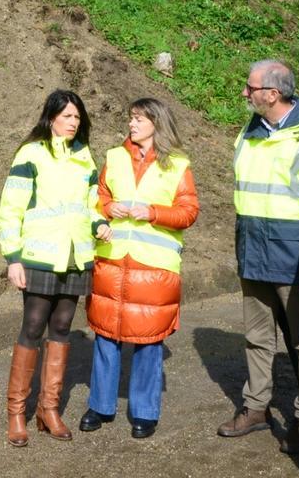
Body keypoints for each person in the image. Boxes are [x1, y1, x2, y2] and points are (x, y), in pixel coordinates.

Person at [218, 60, 299, 454]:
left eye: (250, 88)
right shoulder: (248, 133)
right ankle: (256, 408)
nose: (244, 93)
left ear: (273, 93)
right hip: (252, 249)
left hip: (295, 257)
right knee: (256, 337)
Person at [79, 98, 199, 439]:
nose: (132, 124)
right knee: (106, 334)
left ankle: (144, 412)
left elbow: (189, 211)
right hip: (113, 259)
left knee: (149, 340)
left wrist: (153, 212)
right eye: (131, 118)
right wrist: (108, 207)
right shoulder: (115, 157)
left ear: (156, 124)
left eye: (139, 119)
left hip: (154, 267)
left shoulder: (178, 165)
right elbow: (97, 198)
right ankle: (100, 406)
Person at [0, 89, 98, 447]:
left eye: (77, 117)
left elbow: (93, 203)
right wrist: (13, 257)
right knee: (33, 326)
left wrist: (100, 223)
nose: (73, 122)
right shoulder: (31, 153)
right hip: (39, 257)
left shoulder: (84, 156)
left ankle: (49, 409)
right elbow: (11, 207)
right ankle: (16, 412)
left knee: (62, 327)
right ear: (51, 117)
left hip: (75, 257)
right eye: (67, 116)